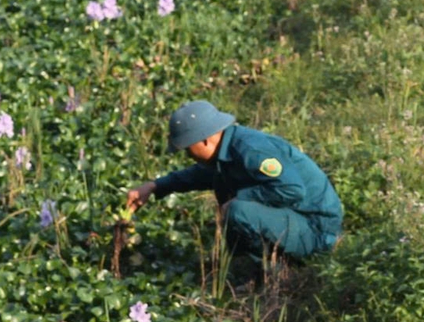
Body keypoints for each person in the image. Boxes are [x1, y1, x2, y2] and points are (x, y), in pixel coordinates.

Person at [126, 100, 342, 271]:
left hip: (317, 230)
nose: (188, 155)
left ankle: (274, 273)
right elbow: (198, 176)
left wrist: (240, 200)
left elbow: (291, 190)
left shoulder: (251, 150)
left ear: (204, 140)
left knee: (238, 210)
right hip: (295, 219)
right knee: (233, 201)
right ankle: (253, 265)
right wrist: (154, 186)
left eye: (187, 148)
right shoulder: (227, 150)